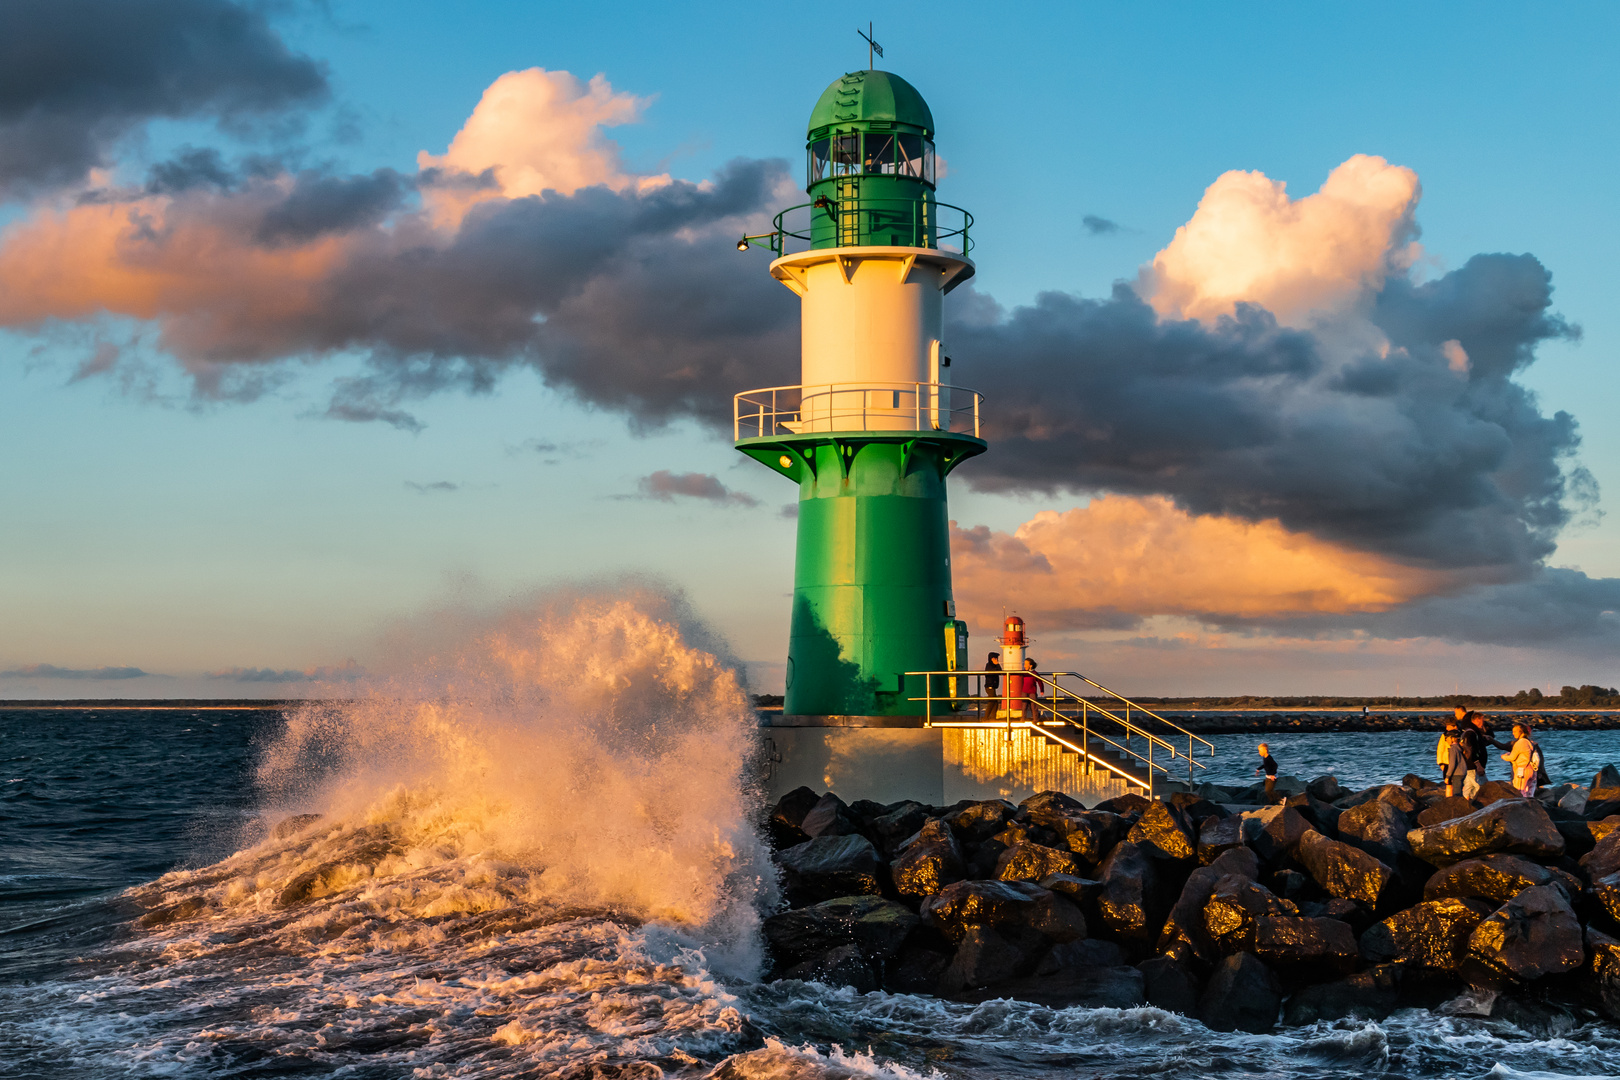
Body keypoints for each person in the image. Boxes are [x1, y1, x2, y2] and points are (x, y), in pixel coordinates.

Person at [1502, 722, 1543, 798]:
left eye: (1514, 731)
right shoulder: (1530, 743)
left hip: (1522, 770)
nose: (1513, 733)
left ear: (1521, 732)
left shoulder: (1520, 742)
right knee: (1530, 793)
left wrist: (1504, 756)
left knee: (1520, 792)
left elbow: (1512, 757)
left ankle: (1522, 808)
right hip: (1532, 770)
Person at [1438, 723, 1466, 798]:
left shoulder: (1453, 749)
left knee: (1457, 794)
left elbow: (1452, 764)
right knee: (1461, 790)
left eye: (1447, 738)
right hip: (1463, 772)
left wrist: (1448, 776)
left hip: (1457, 774)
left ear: (1452, 738)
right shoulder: (1459, 747)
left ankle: (1457, 807)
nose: (1446, 740)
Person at [981, 653, 1001, 719]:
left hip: (993, 686)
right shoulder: (989, 665)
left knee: (995, 702)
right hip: (989, 686)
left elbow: (1000, 672)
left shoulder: (994, 665)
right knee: (992, 701)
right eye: (995, 658)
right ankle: (986, 717)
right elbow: (992, 672)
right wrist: (997, 664)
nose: (996, 660)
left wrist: (997, 664)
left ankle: (993, 717)